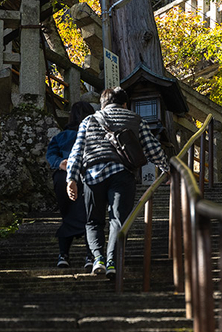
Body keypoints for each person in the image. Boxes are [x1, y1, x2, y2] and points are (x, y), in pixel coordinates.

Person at [65, 87, 170, 279]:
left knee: (93, 221)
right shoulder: (136, 119)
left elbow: (77, 151)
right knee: (118, 220)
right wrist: (166, 169)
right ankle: (113, 260)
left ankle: (98, 259)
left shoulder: (89, 120)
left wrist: (71, 178)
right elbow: (153, 149)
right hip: (122, 174)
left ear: (102, 103)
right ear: (125, 104)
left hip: (92, 175)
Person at [46, 100, 96, 269]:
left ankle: (63, 255)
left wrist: (61, 163)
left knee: (68, 216)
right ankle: (90, 256)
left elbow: (50, 154)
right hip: (89, 177)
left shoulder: (61, 136)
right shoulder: (94, 134)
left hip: (63, 178)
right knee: (90, 216)